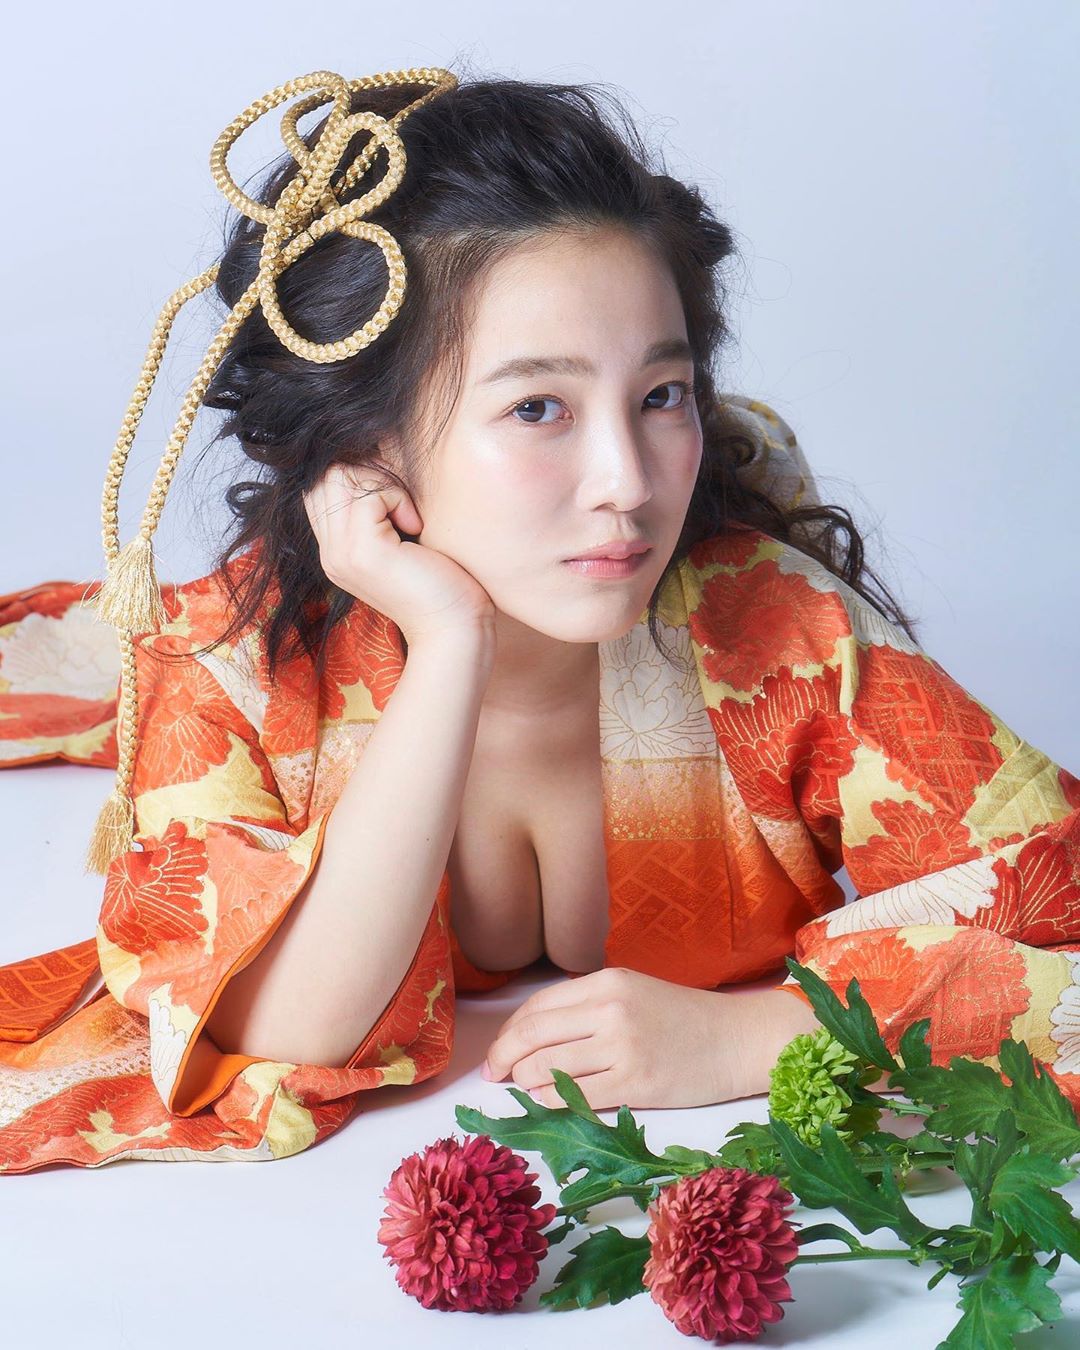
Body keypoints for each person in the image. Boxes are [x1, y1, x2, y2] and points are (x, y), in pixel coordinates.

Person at [1, 68, 1077, 1175]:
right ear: (367, 445)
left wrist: (752, 1038)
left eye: (661, 396)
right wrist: (448, 643)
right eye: (537, 408)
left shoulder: (774, 634)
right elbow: (287, 1029)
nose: (629, 484)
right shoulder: (230, 664)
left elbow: (1059, 905)